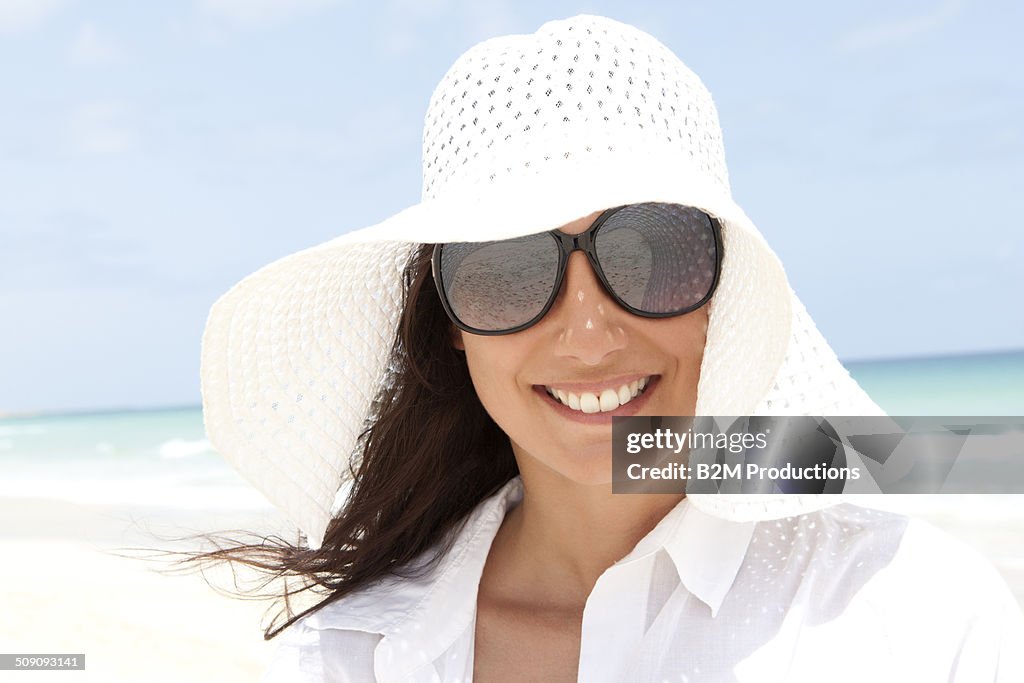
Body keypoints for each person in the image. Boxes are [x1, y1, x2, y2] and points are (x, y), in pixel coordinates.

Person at [197, 14, 1024, 682]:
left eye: (654, 253)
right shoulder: (347, 654)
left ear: (722, 287)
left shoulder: (918, 617)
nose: (588, 333)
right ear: (450, 319)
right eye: (507, 268)